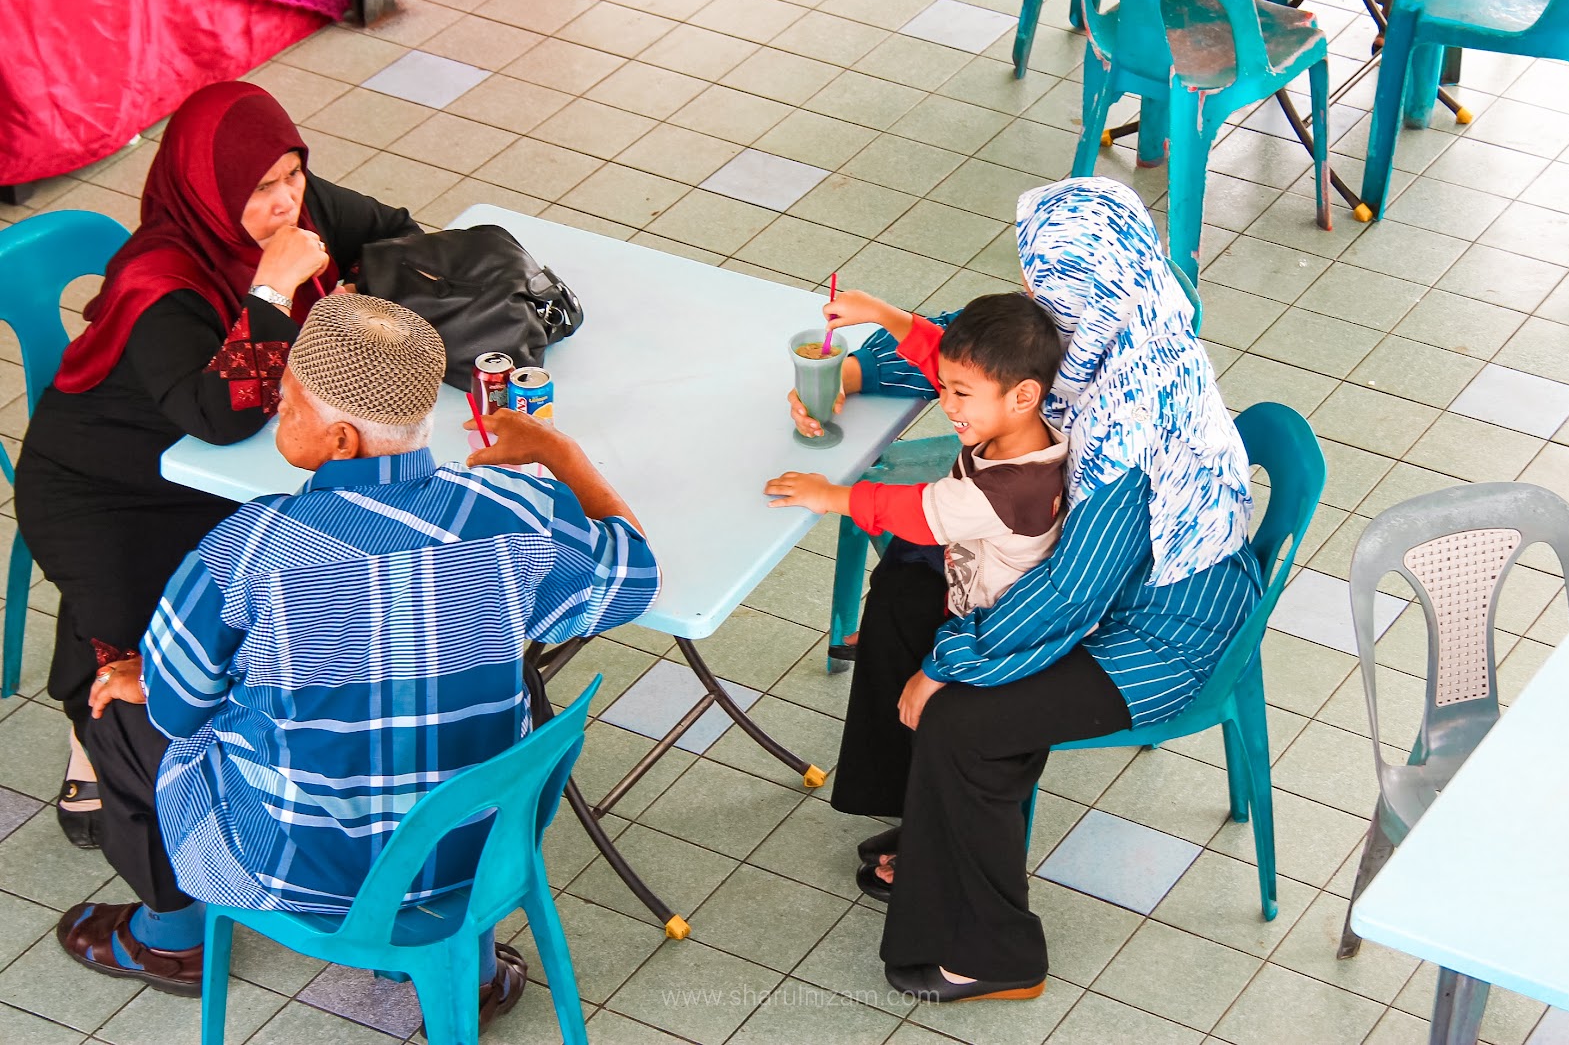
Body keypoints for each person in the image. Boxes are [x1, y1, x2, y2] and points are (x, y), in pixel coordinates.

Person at [61, 295, 659, 1025]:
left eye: (286, 404)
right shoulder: (515, 512)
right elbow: (634, 576)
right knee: (509, 687)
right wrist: (565, 458)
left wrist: (154, 674)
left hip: (299, 871)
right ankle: (468, 968)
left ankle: (169, 936)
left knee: (121, 717)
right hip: (481, 856)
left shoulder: (245, 550)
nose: (277, 415)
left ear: (341, 439)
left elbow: (178, 711)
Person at [795, 177, 1263, 1003]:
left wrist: (947, 666)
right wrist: (866, 366)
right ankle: (924, 829)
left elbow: (1075, 595)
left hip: (1159, 631)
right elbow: (985, 359)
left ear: (1084, 285)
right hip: (1107, 585)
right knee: (908, 587)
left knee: (965, 720)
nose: (1031, 295)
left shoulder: (1133, 414)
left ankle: (997, 953)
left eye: (1045, 282)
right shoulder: (1112, 332)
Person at [14, 80, 419, 849]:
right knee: (146, 656)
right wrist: (273, 287)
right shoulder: (158, 281)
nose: (286, 200)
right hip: (101, 486)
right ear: (210, 188)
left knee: (244, 595)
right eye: (263, 187)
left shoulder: (300, 206)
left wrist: (354, 292)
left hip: (208, 473)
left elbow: (399, 234)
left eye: (293, 173)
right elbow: (222, 418)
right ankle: (102, 757)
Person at [765, 291, 1069, 620]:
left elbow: (917, 515)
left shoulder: (1006, 493)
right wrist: (880, 312)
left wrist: (827, 495)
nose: (948, 403)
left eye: (961, 393)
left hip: (978, 625)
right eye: (944, 386)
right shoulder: (1018, 425)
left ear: (1023, 396)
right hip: (966, 573)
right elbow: (934, 354)